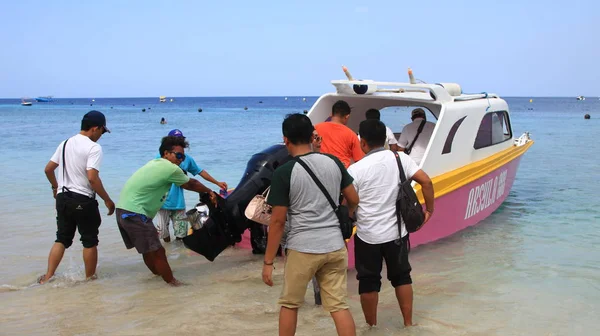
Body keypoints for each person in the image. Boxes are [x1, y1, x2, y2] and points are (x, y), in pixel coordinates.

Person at [262, 113, 359, 336]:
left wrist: (268, 262)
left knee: (290, 304)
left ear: (285, 139)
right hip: (335, 246)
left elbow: (277, 221)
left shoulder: (284, 172)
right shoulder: (333, 162)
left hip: (303, 247)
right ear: (311, 136)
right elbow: (353, 198)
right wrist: (349, 214)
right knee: (339, 306)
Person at [347, 119, 434, 327]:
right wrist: (429, 210)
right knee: (402, 277)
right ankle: (408, 324)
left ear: (363, 142)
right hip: (397, 234)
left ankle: (372, 327)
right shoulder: (400, 158)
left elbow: (349, 203)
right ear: (385, 139)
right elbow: (426, 182)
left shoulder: (355, 169)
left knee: (368, 283)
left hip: (367, 236)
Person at [116, 136, 216, 286]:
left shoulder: (154, 163)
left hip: (123, 211)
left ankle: (158, 276)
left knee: (148, 250)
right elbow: (191, 184)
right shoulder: (170, 168)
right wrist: (209, 192)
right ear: (166, 153)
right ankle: (173, 283)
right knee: (158, 251)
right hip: (135, 213)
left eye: (183, 156)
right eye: (178, 155)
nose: (181, 159)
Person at [38, 111, 115, 284]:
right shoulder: (93, 148)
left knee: (62, 238)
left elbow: (48, 169)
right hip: (83, 200)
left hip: (63, 198)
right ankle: (90, 280)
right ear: (95, 128)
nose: (101, 136)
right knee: (89, 241)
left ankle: (48, 276)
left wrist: (55, 187)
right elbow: (92, 178)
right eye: (102, 131)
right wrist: (107, 200)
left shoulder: (65, 143)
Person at [154, 129, 228, 242]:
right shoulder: (160, 158)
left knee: (181, 235)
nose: (179, 142)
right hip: (162, 203)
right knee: (163, 233)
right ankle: (169, 253)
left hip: (178, 203)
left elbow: (199, 171)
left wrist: (217, 182)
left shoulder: (186, 158)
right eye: (176, 139)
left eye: (181, 139)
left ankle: (179, 256)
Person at [315, 100, 364, 168]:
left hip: (320, 169)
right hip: (341, 171)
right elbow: (359, 161)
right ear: (347, 116)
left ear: (331, 114)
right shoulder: (351, 135)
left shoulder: (316, 128)